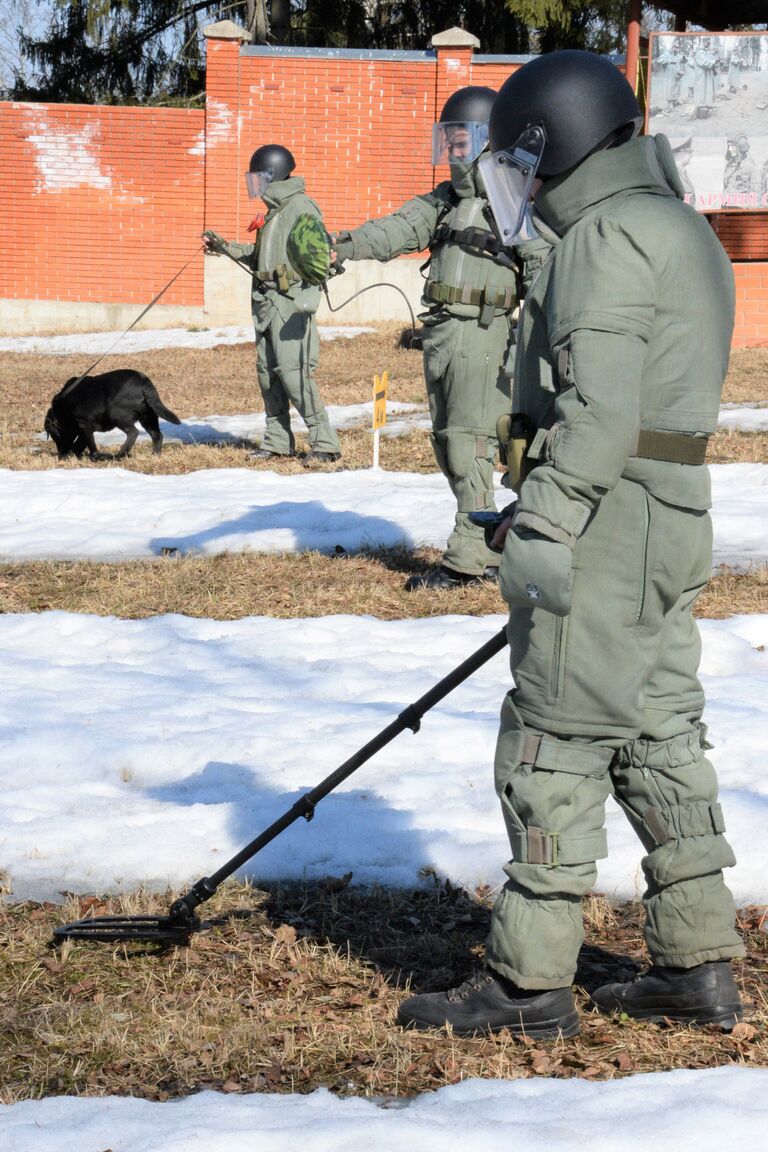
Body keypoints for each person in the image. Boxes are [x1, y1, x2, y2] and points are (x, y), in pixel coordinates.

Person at [397, 50, 744, 1038]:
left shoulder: (599, 238)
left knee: (552, 738)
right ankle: (697, 964)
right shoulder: (679, 226)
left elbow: (595, 410)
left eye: (525, 164)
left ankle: (526, 983)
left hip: (604, 519)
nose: (523, 186)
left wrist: (545, 520)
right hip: (668, 514)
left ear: (560, 143)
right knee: (659, 733)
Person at [333, 87, 548, 590]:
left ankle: (470, 560)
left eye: (462, 139)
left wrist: (524, 348)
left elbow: (543, 274)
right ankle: (490, 540)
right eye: (448, 139)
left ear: (488, 141)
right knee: (449, 442)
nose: (452, 149)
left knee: (468, 445)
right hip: (443, 332)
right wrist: (338, 245)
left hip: (483, 334)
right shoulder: (448, 201)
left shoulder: (513, 199)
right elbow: (397, 229)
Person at [204, 145, 341, 465]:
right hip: (265, 303)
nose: (254, 186)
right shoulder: (274, 213)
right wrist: (223, 246)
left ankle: (326, 443)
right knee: (269, 375)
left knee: (295, 374)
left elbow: (321, 260)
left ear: (273, 176)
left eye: (258, 179)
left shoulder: (302, 208)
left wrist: (306, 297)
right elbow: (258, 259)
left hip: (290, 303)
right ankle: (278, 441)